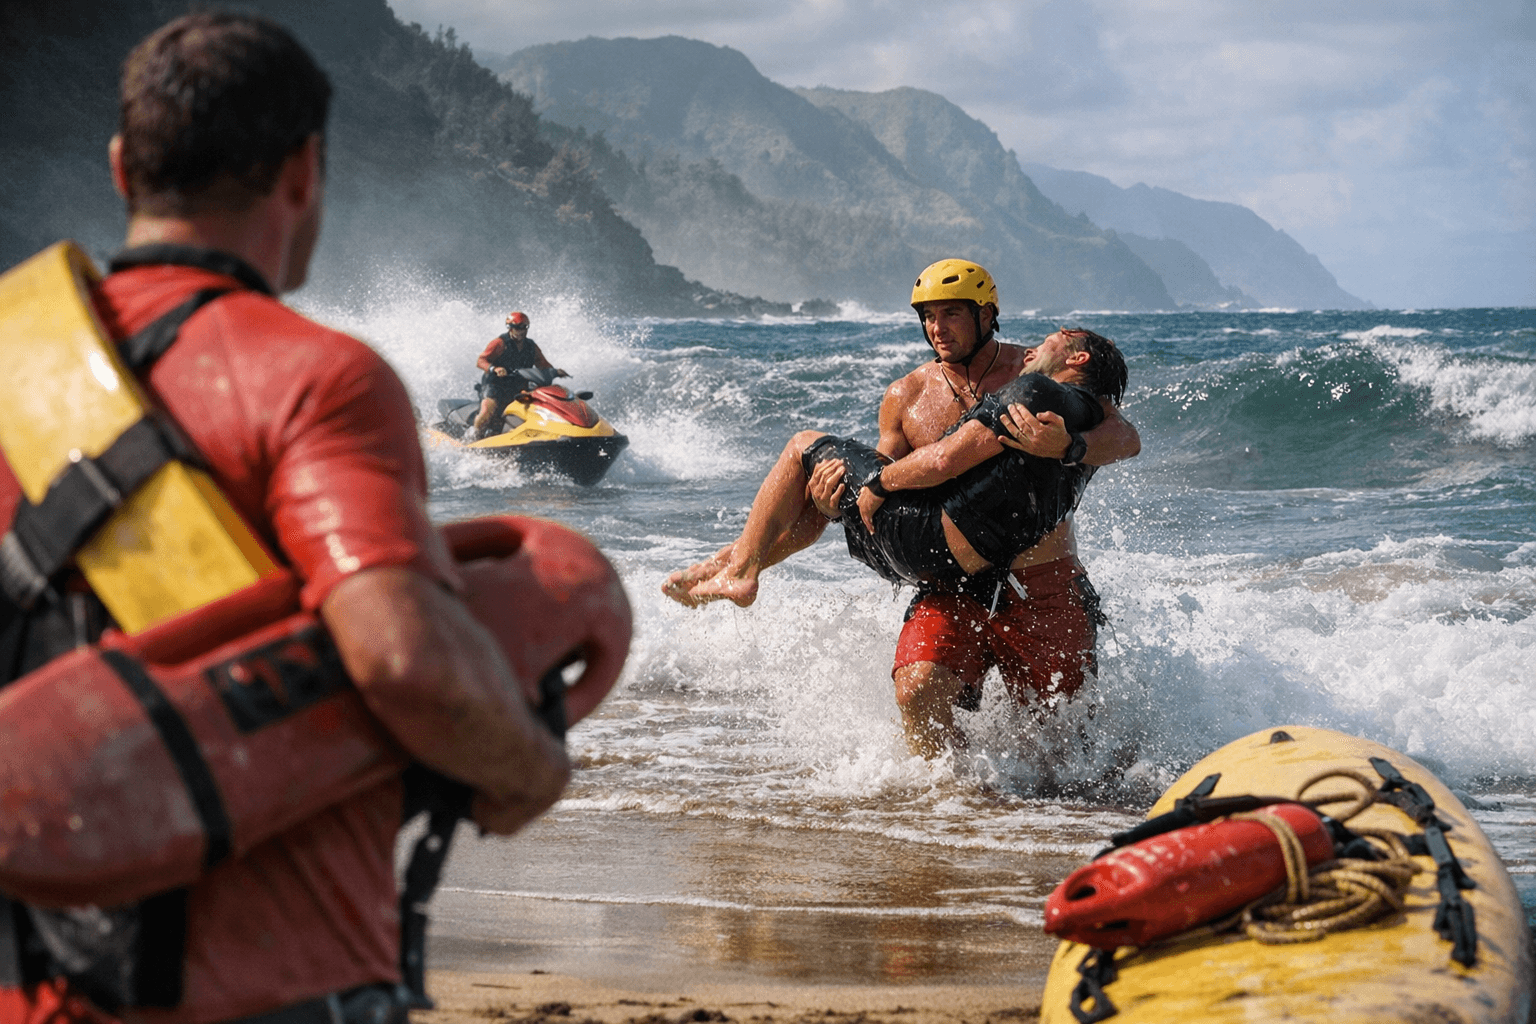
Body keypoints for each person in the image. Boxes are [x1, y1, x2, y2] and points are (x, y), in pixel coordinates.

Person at [0, 12, 568, 1023]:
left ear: (123, 168)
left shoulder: (10, 361)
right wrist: (524, 766)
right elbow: (402, 659)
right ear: (305, 171)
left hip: (33, 974)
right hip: (278, 978)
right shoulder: (318, 378)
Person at [666, 259, 1139, 756]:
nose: (938, 328)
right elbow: (882, 494)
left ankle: (733, 564)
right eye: (929, 316)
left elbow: (1125, 437)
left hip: (1042, 579)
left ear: (987, 314)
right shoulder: (906, 395)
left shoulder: (1033, 370)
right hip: (951, 579)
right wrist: (831, 507)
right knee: (918, 692)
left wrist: (1068, 447)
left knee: (1069, 736)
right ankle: (955, 805)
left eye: (952, 313)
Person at [472, 310, 567, 438]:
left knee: (535, 403)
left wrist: (555, 372)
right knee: (488, 409)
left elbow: (543, 364)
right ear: (510, 328)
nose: (521, 331)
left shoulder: (531, 346)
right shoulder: (499, 343)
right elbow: (481, 361)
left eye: (524, 327)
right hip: (495, 384)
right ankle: (474, 437)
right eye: (517, 328)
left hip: (517, 386)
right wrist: (494, 369)